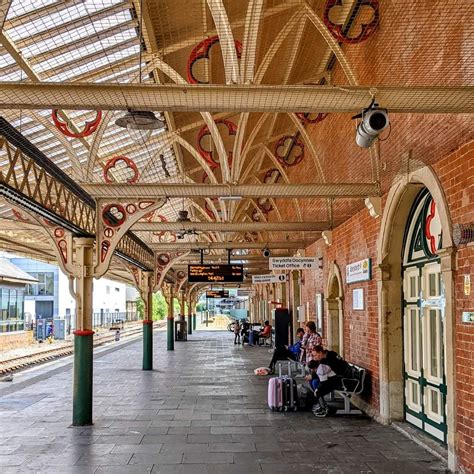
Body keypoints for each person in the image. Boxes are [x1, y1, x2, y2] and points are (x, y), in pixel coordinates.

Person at [310, 345, 351, 417]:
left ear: (320, 352)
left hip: (340, 380)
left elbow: (330, 373)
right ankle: (321, 404)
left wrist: (317, 388)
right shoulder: (322, 359)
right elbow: (322, 372)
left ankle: (323, 408)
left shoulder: (332, 359)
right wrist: (313, 376)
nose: (315, 358)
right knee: (313, 381)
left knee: (317, 386)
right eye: (314, 356)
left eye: (315, 355)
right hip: (331, 378)